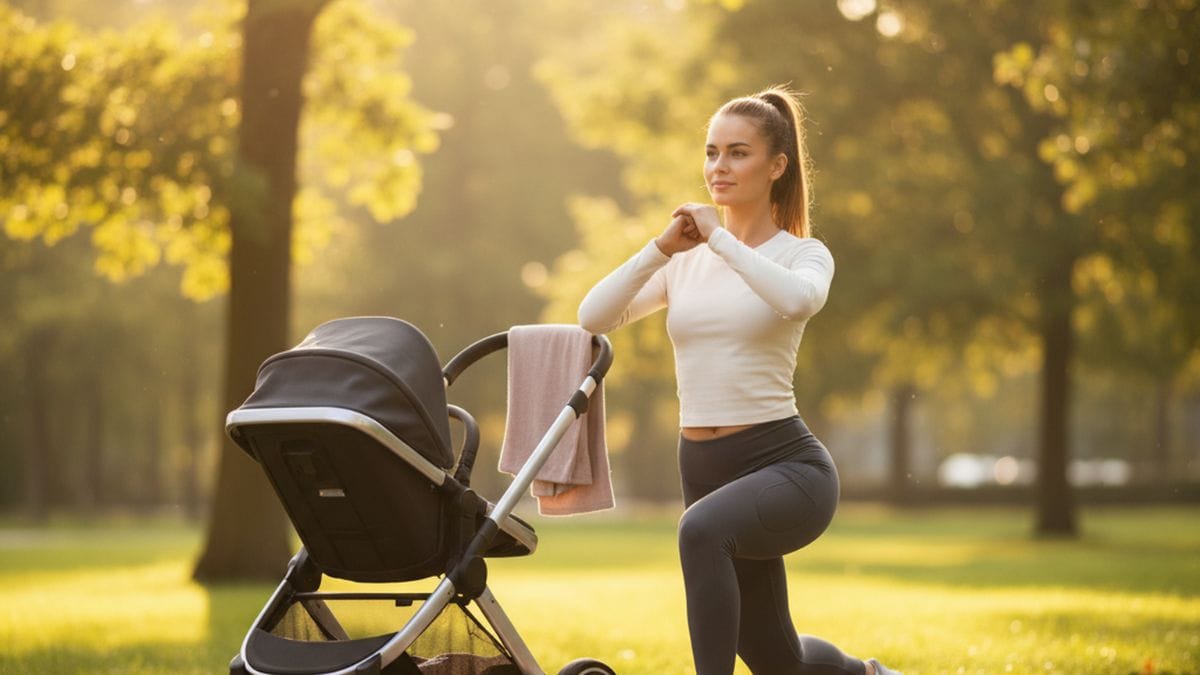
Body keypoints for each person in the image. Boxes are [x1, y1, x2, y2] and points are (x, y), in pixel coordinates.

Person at [577, 86, 900, 675]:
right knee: (780, 662)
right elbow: (593, 317)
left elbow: (798, 301)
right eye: (711, 152)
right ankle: (867, 674)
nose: (718, 167)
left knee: (698, 531)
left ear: (777, 166)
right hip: (703, 465)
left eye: (737, 153)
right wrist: (659, 249)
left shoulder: (803, 254)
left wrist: (720, 240)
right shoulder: (682, 262)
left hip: (787, 467)